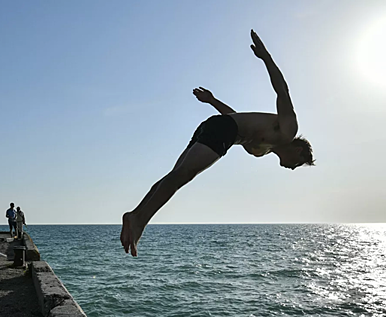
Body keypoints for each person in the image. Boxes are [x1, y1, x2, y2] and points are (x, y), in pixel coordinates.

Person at [120, 30, 315, 257]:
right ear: (299, 150)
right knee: (183, 175)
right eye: (298, 164)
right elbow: (282, 90)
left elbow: (236, 118)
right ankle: (139, 220)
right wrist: (266, 57)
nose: (292, 168)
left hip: (217, 126)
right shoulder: (288, 130)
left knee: (175, 175)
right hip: (221, 129)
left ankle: (136, 214)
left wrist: (212, 101)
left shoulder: (260, 151)